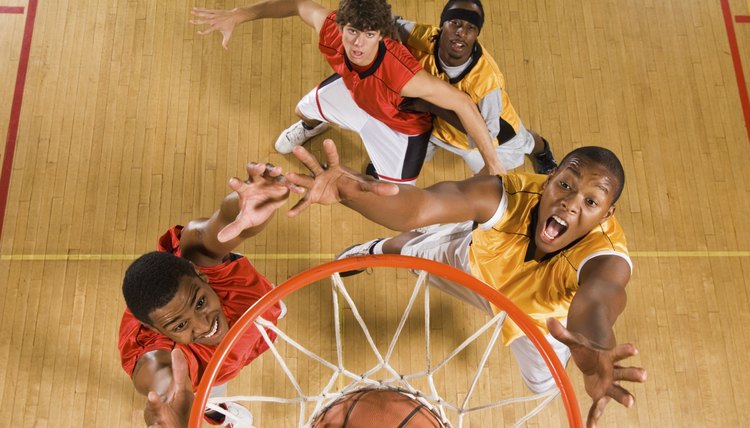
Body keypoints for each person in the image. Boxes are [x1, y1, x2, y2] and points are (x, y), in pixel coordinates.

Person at [271, 140, 646, 427]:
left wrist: (594, 356)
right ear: (549, 179)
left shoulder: (608, 258)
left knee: (543, 385)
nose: (570, 204)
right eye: (565, 184)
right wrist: (351, 192)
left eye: (591, 201)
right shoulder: (504, 194)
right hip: (474, 268)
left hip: (535, 319)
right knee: (411, 252)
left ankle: (401, 249)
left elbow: (595, 305)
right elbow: (417, 207)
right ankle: (375, 249)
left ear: (606, 214)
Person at [190, 0, 506, 185]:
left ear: (382, 36)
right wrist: (239, 15)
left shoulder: (403, 74)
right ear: (341, 26)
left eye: (368, 35)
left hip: (399, 127)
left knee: (393, 191)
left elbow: (464, 103)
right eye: (352, 31)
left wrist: (492, 165)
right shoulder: (331, 29)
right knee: (304, 109)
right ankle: (311, 126)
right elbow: (298, 4)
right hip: (357, 95)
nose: (357, 44)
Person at [118, 163, 300, 427]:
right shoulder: (159, 357)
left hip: (253, 312)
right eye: (180, 325)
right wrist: (170, 408)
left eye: (200, 302)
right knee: (205, 391)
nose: (204, 325)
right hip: (213, 370)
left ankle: (267, 312)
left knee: (264, 309)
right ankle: (216, 412)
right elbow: (160, 377)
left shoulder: (199, 258)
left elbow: (220, 226)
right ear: (152, 329)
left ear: (201, 276)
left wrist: (242, 204)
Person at [393, 0, 558, 174]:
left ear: (477, 34)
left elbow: (483, 133)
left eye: (470, 27)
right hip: (434, 124)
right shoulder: (422, 36)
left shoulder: (487, 82)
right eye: (455, 23)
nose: (461, 32)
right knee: (404, 151)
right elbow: (389, 21)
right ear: (442, 25)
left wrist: (430, 106)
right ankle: (389, 165)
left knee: (526, 142)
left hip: (489, 135)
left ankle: (542, 151)